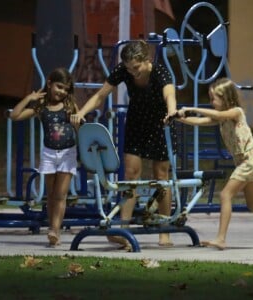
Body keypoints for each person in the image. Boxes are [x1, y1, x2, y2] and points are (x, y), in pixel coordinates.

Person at [71, 40, 177, 250]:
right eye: (128, 68)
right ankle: (124, 227)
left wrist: (171, 112)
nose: (132, 72)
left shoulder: (160, 73)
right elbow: (101, 95)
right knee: (130, 174)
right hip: (137, 123)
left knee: (161, 176)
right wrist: (81, 112)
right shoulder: (125, 71)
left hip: (160, 124)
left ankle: (165, 229)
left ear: (146, 61)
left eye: (135, 68)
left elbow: (170, 95)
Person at [168, 77, 253, 250]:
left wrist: (191, 108)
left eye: (214, 98)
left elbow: (216, 115)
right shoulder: (222, 118)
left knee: (225, 195)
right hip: (246, 162)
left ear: (227, 98)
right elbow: (199, 122)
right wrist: (177, 117)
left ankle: (221, 239)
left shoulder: (236, 112)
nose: (211, 102)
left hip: (250, 161)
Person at [10, 67, 79, 247]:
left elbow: (80, 128)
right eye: (59, 87)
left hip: (67, 153)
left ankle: (55, 230)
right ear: (49, 84)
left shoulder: (70, 106)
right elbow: (14, 115)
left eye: (65, 89)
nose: (62, 92)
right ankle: (52, 227)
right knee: (50, 194)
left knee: (60, 195)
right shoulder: (41, 108)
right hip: (49, 154)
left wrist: (78, 123)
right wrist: (28, 98)